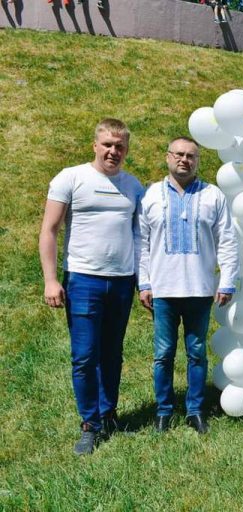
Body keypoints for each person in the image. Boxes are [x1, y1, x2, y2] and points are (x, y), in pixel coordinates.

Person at [39, 118, 143, 455]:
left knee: (112, 353)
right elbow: (49, 230)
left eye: (119, 146)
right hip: (83, 280)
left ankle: (108, 413)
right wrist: (51, 280)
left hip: (122, 281)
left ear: (126, 150)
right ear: (95, 145)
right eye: (107, 145)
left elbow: (141, 236)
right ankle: (89, 423)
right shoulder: (70, 178)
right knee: (84, 356)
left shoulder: (133, 186)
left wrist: (143, 280)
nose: (113, 151)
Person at [138, 137, 239, 434]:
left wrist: (227, 281)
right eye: (179, 154)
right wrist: (144, 282)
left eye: (191, 156)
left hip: (199, 289)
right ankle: (163, 411)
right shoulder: (150, 195)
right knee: (163, 353)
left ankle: (195, 410)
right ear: (168, 157)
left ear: (198, 161)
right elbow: (141, 243)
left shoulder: (213, 195)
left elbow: (227, 239)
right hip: (163, 290)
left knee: (196, 352)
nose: (184, 160)